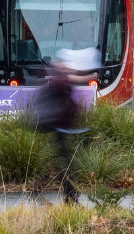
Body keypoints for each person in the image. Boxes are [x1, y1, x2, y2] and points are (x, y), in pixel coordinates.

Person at [33, 48, 98, 204]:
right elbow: (63, 82)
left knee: (62, 162)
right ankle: (69, 198)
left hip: (59, 126)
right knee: (65, 163)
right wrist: (85, 77)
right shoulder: (59, 78)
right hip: (55, 126)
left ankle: (64, 196)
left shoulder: (59, 75)